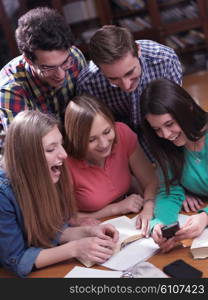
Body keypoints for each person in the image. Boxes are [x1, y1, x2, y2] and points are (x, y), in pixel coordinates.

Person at [0, 110, 118, 278]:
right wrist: (76, 248)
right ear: (27, 158)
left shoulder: (46, 175)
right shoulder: (3, 194)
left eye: (61, 144)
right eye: (51, 149)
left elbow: (50, 231)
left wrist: (88, 231)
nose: (63, 154)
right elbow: (16, 260)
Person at [76, 25, 182, 159]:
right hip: (120, 147)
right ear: (98, 67)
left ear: (138, 51)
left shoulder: (165, 59)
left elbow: (176, 111)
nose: (126, 86)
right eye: (113, 79)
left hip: (166, 136)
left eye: (130, 72)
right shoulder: (87, 83)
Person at [64, 94, 158, 236]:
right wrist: (116, 208)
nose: (103, 144)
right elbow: (64, 219)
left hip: (129, 222)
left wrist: (149, 206)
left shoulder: (122, 133)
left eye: (107, 131)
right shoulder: (65, 163)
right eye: (91, 140)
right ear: (76, 140)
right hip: (93, 232)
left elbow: (151, 181)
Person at [140, 78, 208, 253]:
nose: (165, 134)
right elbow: (169, 191)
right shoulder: (167, 147)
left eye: (169, 124)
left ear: (188, 109)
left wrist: (205, 217)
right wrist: (161, 223)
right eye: (157, 129)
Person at [0, 6, 87, 130]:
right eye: (48, 68)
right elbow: (26, 147)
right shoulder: (10, 89)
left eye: (65, 63)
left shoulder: (75, 58)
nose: (61, 74)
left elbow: (88, 113)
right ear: (28, 60)